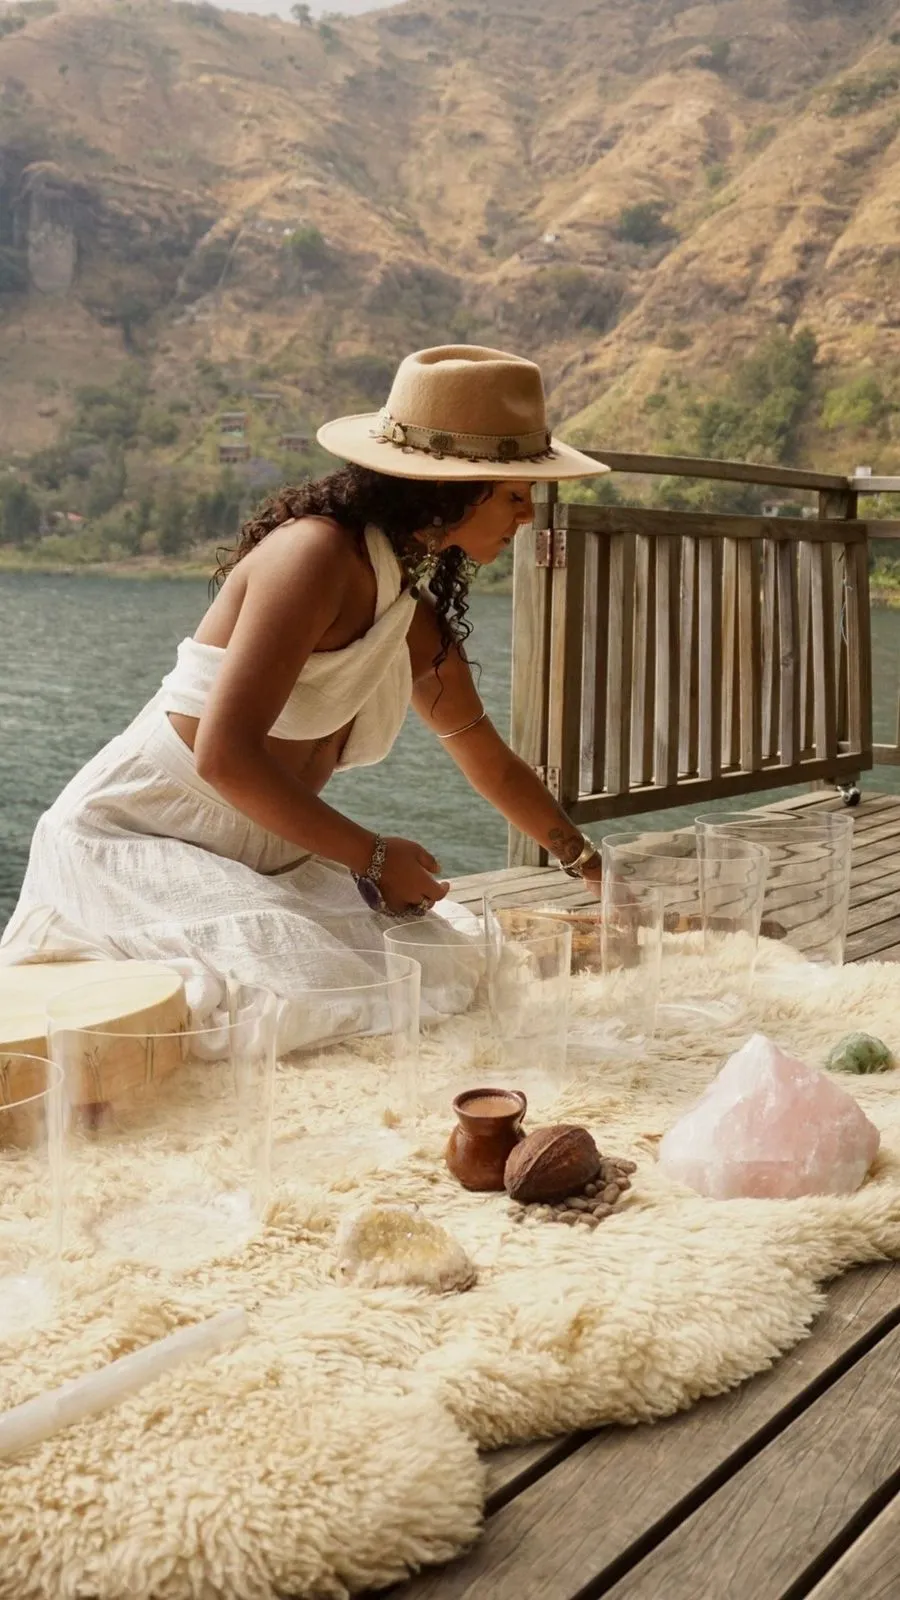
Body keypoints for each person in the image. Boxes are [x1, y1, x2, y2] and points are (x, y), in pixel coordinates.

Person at [2, 345, 608, 1043]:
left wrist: (588, 864)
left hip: (263, 852)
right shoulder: (313, 557)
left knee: (438, 966)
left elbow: (487, 758)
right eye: (513, 494)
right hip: (138, 838)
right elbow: (224, 757)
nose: (528, 515)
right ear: (453, 485)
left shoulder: (405, 604)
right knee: (314, 997)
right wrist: (373, 856)